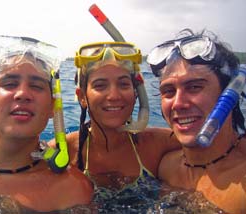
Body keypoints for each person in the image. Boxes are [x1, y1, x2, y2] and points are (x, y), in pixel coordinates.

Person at [0, 36, 93, 212]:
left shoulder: (72, 191)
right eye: (10, 84)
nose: (23, 93)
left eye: (37, 86)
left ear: (52, 108)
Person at [51, 41, 180, 190]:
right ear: (82, 97)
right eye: (100, 85)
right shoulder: (62, 152)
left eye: (124, 84)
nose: (114, 95)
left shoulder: (159, 145)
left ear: (135, 92)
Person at [147, 28, 246, 213]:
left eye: (194, 87)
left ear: (230, 94)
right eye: (168, 91)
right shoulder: (166, 167)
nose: (178, 103)